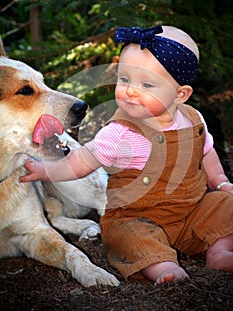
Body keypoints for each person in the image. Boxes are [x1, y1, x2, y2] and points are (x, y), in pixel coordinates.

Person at [20, 25, 233, 285]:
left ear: (181, 94)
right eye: (124, 79)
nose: (130, 90)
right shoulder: (120, 132)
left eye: (146, 84)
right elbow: (82, 161)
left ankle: (218, 250)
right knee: (129, 236)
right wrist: (46, 171)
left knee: (225, 205)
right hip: (137, 218)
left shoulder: (193, 119)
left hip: (191, 212)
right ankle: (162, 266)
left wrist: (220, 182)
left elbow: (206, 152)